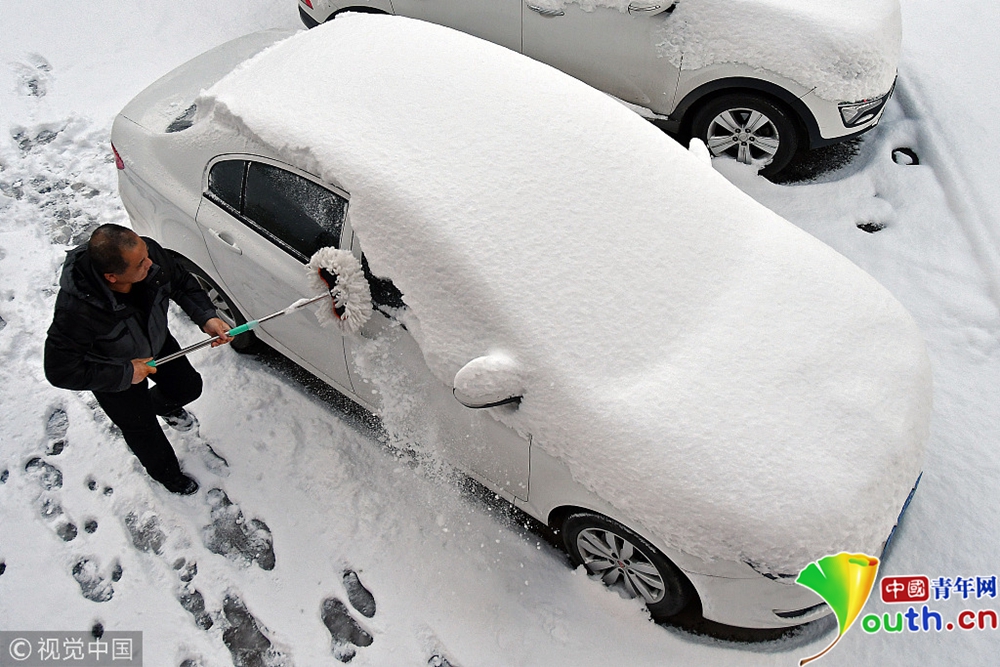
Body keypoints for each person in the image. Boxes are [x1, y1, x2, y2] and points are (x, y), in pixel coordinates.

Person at [44, 224, 233, 495]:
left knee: (188, 387)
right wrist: (124, 373)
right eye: (141, 263)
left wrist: (206, 316)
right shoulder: (76, 311)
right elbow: (59, 370)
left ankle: (159, 404)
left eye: (146, 254)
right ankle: (166, 474)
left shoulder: (149, 255)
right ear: (112, 277)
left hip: (156, 343)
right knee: (142, 429)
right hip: (112, 371)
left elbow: (180, 281)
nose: (151, 262)